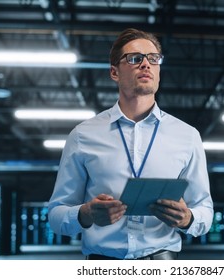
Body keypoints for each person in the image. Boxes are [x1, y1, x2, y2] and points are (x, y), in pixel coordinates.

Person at [48, 28, 214, 260]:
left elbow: (205, 211)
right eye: (135, 58)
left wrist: (188, 219)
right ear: (114, 72)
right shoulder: (83, 135)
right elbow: (56, 215)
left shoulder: (187, 136)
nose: (146, 64)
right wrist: (86, 213)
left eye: (153, 58)